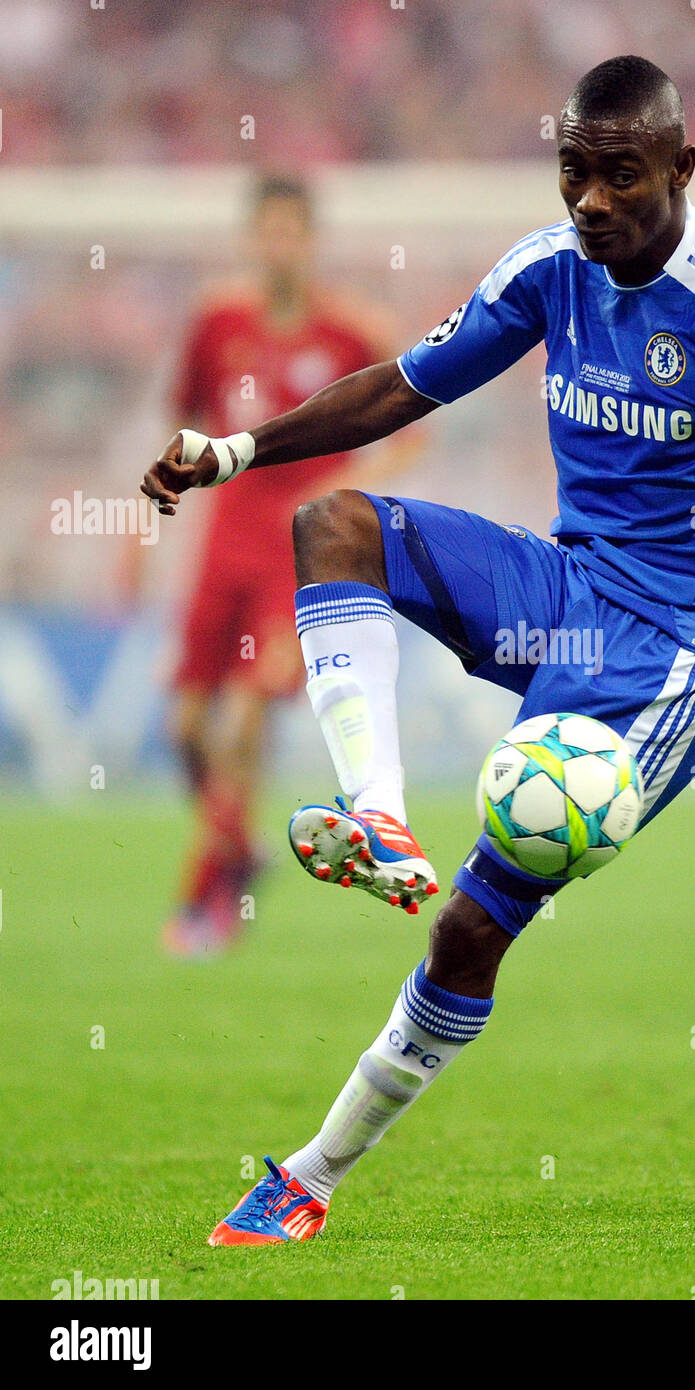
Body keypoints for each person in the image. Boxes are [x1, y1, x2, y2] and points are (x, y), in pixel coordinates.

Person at [142, 57, 695, 1245]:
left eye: (623, 176)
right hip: (565, 587)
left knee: (471, 925)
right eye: (576, 172)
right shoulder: (547, 267)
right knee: (335, 523)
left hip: (679, 651)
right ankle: (379, 814)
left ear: (681, 169)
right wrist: (237, 450)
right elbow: (403, 388)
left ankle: (307, 1178)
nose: (594, 201)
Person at [154, 174, 394, 957]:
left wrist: (343, 485)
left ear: (311, 240)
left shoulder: (350, 334)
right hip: (222, 545)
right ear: (253, 238)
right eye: (269, 231)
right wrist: (137, 529)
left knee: (251, 707)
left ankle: (206, 897)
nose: (281, 246)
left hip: (298, 554)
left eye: (295, 231)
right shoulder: (217, 320)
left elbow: (414, 420)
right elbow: (184, 421)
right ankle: (238, 846)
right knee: (187, 726)